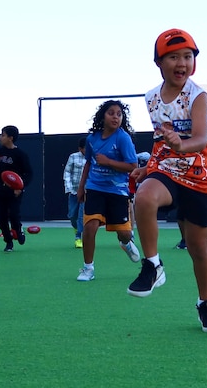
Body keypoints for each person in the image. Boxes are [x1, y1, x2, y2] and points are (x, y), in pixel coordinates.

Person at [128, 28, 207, 333]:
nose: (182, 63)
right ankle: (153, 264)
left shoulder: (197, 95)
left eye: (188, 56)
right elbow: (160, 141)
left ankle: (205, 303)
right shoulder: (152, 98)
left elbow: (199, 138)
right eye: (173, 57)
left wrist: (181, 144)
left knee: (199, 249)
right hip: (168, 170)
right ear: (159, 62)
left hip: (198, 176)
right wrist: (149, 168)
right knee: (143, 196)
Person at [75, 100, 140, 282]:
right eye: (111, 113)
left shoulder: (123, 138)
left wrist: (109, 162)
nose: (115, 117)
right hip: (95, 188)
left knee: (124, 233)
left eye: (119, 114)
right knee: (90, 227)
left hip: (117, 191)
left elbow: (132, 166)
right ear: (102, 116)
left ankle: (125, 243)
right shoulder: (92, 139)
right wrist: (81, 187)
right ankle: (88, 269)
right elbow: (88, 163)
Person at [0, 125, 33, 252]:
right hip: (0, 191)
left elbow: (28, 173)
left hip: (14, 192)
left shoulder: (20, 155)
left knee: (13, 215)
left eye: (3, 135)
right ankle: (8, 242)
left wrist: (20, 187)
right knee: (1, 219)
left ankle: (18, 230)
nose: (0, 137)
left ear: (10, 138)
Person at [63, 137, 87, 248]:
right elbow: (67, 172)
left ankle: (78, 237)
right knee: (72, 215)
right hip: (73, 191)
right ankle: (76, 228)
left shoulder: (93, 158)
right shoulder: (73, 157)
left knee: (82, 216)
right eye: (86, 148)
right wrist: (69, 188)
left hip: (87, 192)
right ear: (80, 148)